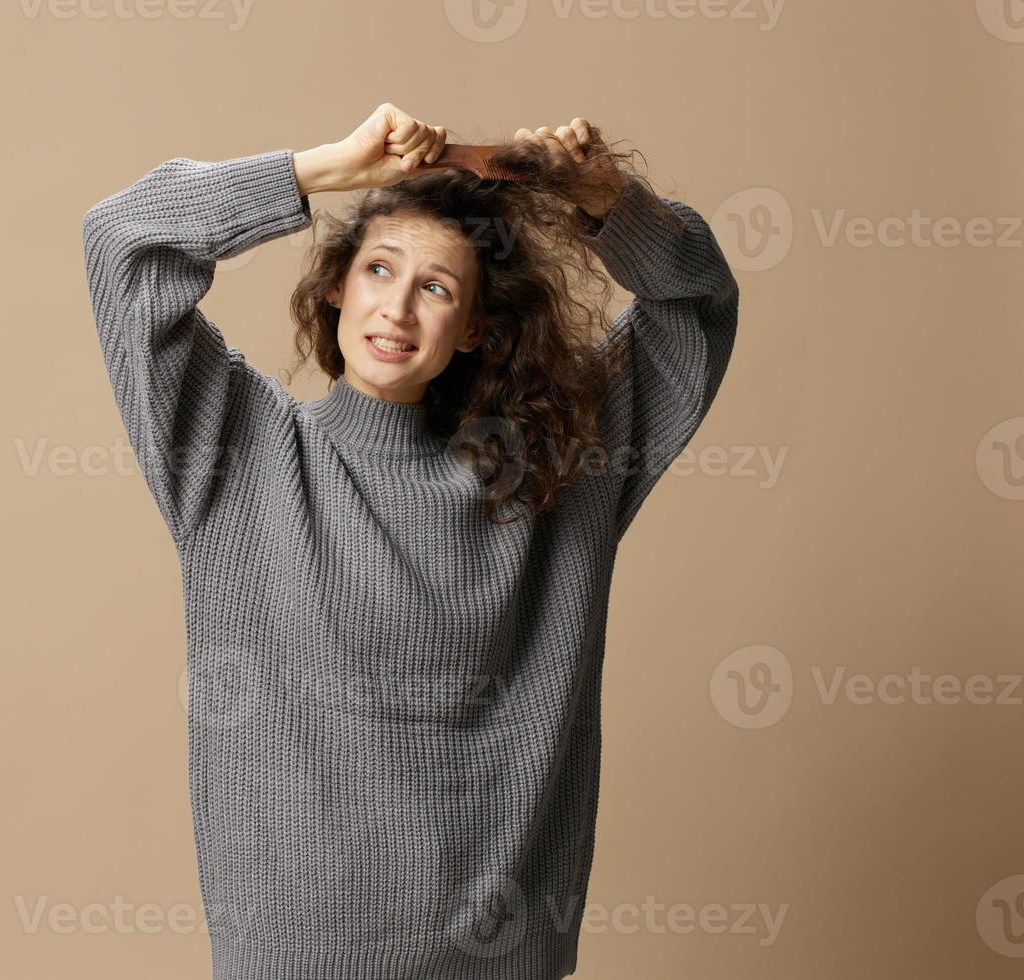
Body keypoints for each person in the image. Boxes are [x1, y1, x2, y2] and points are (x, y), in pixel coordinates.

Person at [81, 103, 739, 980]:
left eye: (435, 286)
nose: (396, 307)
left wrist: (606, 200)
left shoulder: (554, 468)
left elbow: (695, 302)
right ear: (334, 287)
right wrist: (320, 173)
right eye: (378, 270)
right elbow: (122, 240)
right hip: (294, 962)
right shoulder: (237, 456)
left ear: (471, 327)